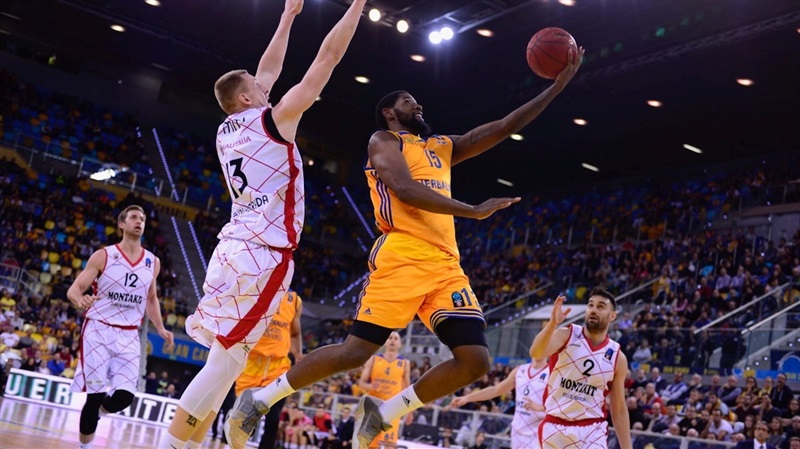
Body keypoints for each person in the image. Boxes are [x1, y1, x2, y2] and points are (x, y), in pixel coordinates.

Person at [228, 37, 584, 449]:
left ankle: (384, 412)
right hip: (402, 253)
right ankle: (261, 399)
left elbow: (504, 127)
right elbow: (404, 189)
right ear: (388, 112)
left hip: (446, 263)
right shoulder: (384, 141)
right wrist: (472, 210)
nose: (418, 106)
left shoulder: (442, 147)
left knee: (475, 360)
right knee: (355, 353)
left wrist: (556, 87)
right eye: (409, 102)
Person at [155, 0, 369, 447]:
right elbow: (327, 58)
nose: (265, 85)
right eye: (257, 86)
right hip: (263, 255)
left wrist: (288, 16)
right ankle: (170, 444)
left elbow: (265, 71)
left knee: (228, 361)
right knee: (225, 362)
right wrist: (357, 6)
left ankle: (189, 443)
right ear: (247, 98)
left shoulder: (227, 128)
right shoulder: (276, 121)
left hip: (232, 248)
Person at [67, 205, 175, 449]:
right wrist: (79, 299)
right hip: (98, 329)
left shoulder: (153, 262)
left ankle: (95, 414)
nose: (139, 221)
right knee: (95, 395)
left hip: (129, 334)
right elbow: (74, 289)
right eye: (134, 217)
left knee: (125, 397)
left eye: (143, 219)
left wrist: (160, 328)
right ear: (122, 224)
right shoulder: (103, 256)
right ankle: (85, 445)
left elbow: (151, 299)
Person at [529, 289, 631, 449]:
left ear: (612, 316)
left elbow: (618, 408)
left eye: (600, 306)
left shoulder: (618, 357)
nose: (593, 310)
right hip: (555, 428)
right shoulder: (566, 335)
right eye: (590, 305)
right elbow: (536, 352)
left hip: (592, 429)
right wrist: (552, 324)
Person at [234, 290, 303, 449]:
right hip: (251, 364)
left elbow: (295, 333)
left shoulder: (294, 300)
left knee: (273, 417)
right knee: (242, 418)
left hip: (278, 366)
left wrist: (298, 355)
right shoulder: (256, 289)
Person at [450, 357, 549, 448]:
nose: (538, 348)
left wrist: (540, 407)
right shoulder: (519, 370)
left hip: (538, 432)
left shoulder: (552, 373)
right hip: (517, 431)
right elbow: (495, 390)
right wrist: (467, 398)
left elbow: (558, 407)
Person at [357, 331, 410, 449]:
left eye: (396, 338)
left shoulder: (404, 363)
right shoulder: (373, 359)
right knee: (369, 445)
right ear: (385, 342)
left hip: (393, 408)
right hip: (374, 407)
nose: (392, 340)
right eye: (390, 338)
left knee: (389, 445)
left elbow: (408, 390)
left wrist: (410, 411)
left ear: (400, 344)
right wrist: (370, 386)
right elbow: (361, 384)